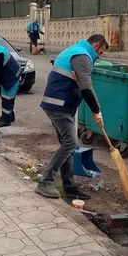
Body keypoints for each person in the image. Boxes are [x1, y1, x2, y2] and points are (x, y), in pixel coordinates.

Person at [36, 34, 108, 200]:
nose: (100, 56)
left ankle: (69, 187)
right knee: (70, 143)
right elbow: (86, 87)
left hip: (59, 104)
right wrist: (97, 110)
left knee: (67, 145)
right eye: (101, 52)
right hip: (59, 105)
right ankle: (45, 182)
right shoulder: (83, 56)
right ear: (96, 46)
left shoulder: (75, 50)